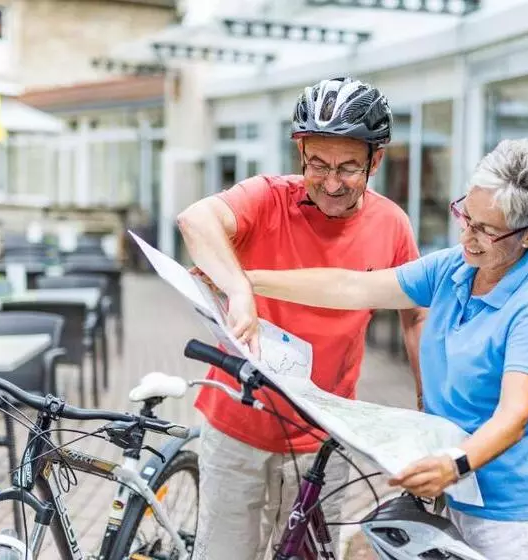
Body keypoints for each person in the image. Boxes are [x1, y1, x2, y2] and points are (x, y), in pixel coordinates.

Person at [246, 138, 528, 560]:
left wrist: (454, 464)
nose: (467, 236)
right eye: (466, 216)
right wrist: (246, 281)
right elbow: (352, 286)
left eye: (486, 230)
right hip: (450, 479)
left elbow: (515, 415)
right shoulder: (454, 267)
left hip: (506, 507)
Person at [177, 76, 427, 560]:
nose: (331, 183)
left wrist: (426, 404)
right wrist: (239, 290)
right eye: (318, 164)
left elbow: (416, 317)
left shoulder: (392, 224)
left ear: (376, 160)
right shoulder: (267, 197)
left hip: (322, 435)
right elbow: (196, 220)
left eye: (348, 168)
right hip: (236, 426)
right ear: (301, 152)